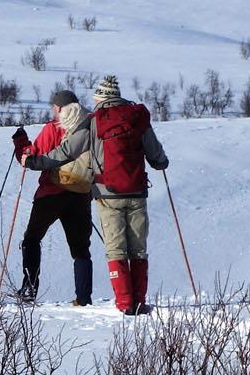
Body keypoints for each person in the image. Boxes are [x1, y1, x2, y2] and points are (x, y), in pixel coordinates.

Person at [26, 76, 169, 316]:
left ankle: (125, 303)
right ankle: (139, 300)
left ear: (100, 98)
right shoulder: (137, 118)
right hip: (136, 192)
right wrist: (161, 162)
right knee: (138, 248)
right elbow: (156, 154)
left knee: (116, 248)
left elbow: (66, 151)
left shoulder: (94, 122)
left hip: (107, 193)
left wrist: (35, 162)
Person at [10, 89, 95, 306]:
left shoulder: (53, 128)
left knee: (31, 239)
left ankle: (29, 289)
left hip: (51, 193)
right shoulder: (91, 126)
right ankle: (83, 297)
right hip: (81, 193)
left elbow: (32, 154)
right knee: (81, 249)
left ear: (58, 108)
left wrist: (20, 142)